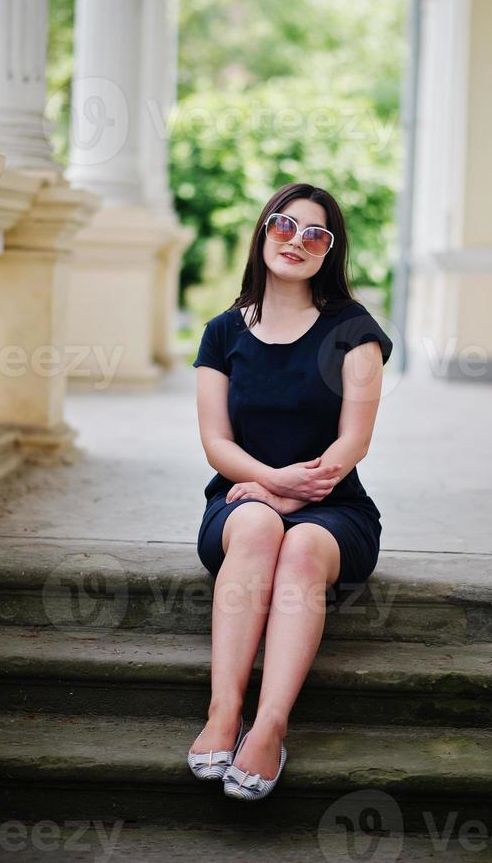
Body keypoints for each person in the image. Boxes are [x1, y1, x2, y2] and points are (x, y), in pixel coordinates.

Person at [187, 181, 393, 800]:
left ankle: (270, 726)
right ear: (262, 231)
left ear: (329, 253)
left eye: (316, 235)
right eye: (284, 225)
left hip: (335, 511)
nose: (296, 242)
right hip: (241, 501)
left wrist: (290, 495)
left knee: (299, 545)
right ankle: (224, 711)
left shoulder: (353, 331)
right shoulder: (222, 333)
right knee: (256, 525)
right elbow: (216, 445)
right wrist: (268, 487)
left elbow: (352, 443)